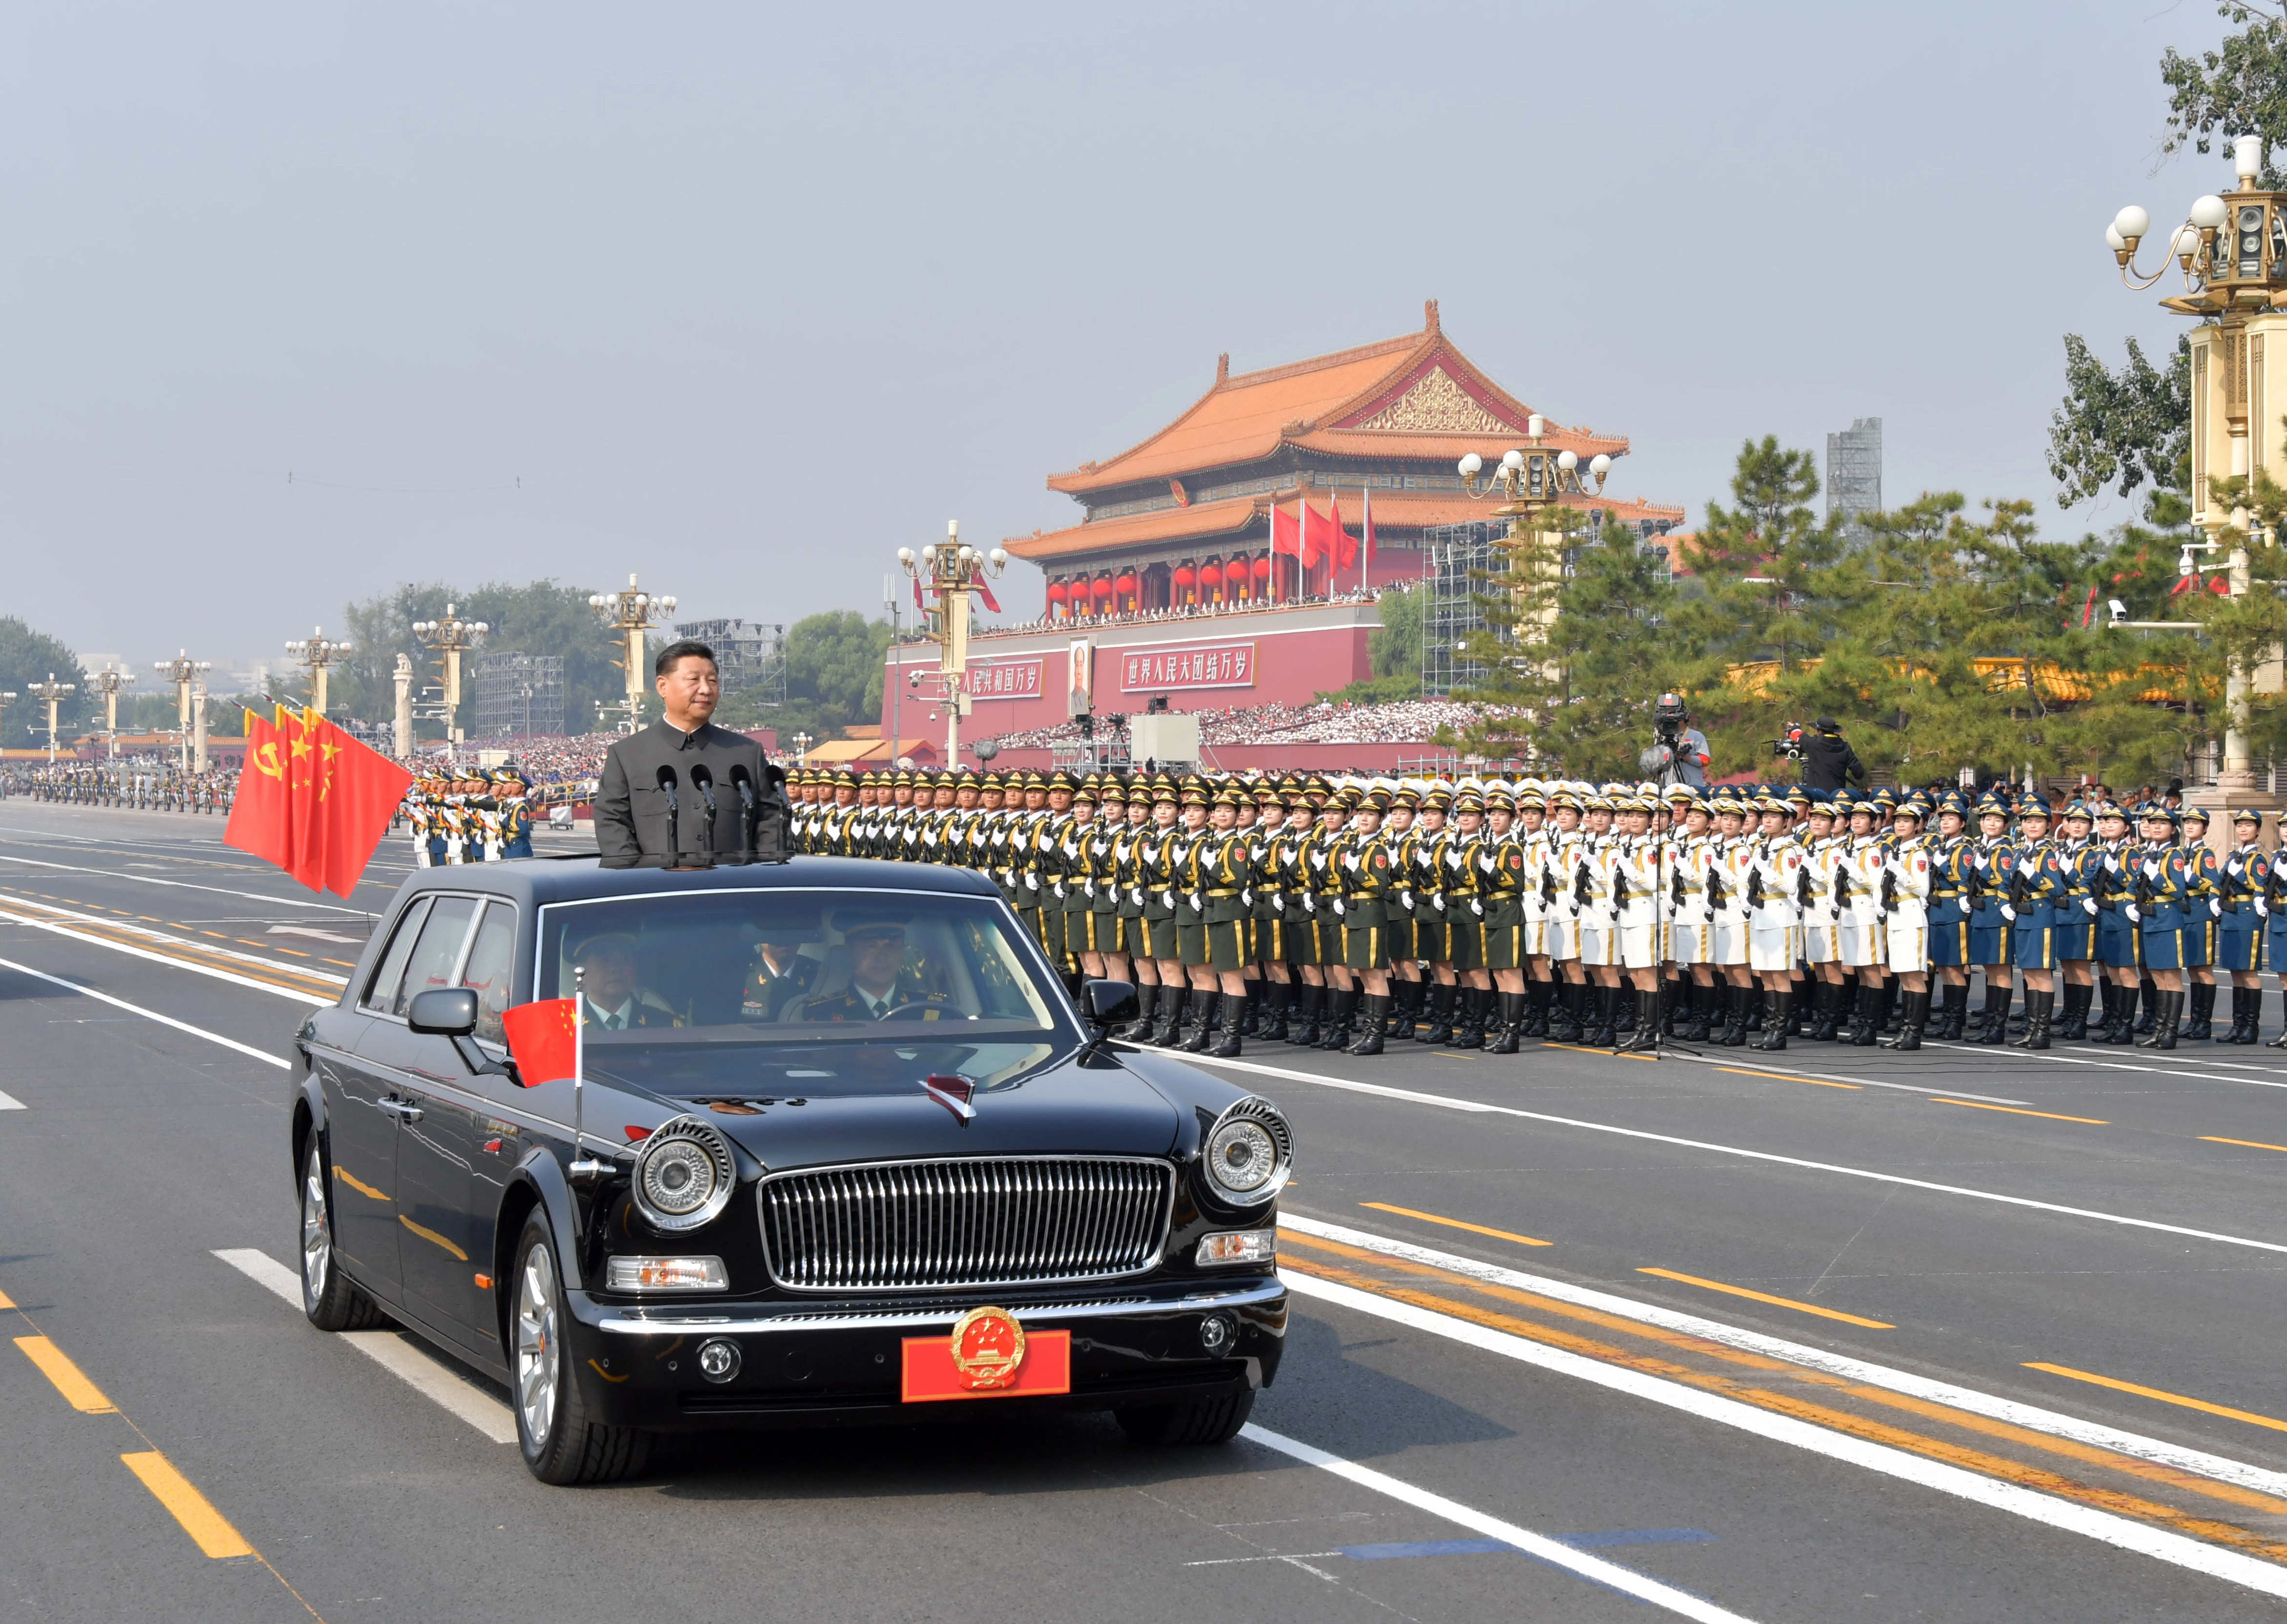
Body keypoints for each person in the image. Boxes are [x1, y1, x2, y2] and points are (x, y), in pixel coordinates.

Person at [594, 640, 782, 864]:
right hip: (656, 893)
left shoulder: (746, 753)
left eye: (712, 680)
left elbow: (771, 825)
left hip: (732, 891)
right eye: (694, 680)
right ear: (663, 686)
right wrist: (638, 883)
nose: (706, 689)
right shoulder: (626, 755)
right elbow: (613, 825)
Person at [803, 919, 955, 1022]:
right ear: (849, 952)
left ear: (902, 950)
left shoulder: (933, 1010)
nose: (881, 957)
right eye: (870, 947)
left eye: (891, 947)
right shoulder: (822, 1014)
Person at [573, 935, 680, 1029]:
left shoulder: (665, 1025)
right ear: (581, 972)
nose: (615, 968)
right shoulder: (564, 1028)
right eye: (603, 960)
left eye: (624, 959)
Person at [1800, 719, 1865, 793]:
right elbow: (1859, 773)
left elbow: (1800, 738)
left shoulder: (1814, 744)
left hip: (1816, 797)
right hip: (1837, 797)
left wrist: (1795, 727)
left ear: (1820, 731)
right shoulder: (1845, 747)